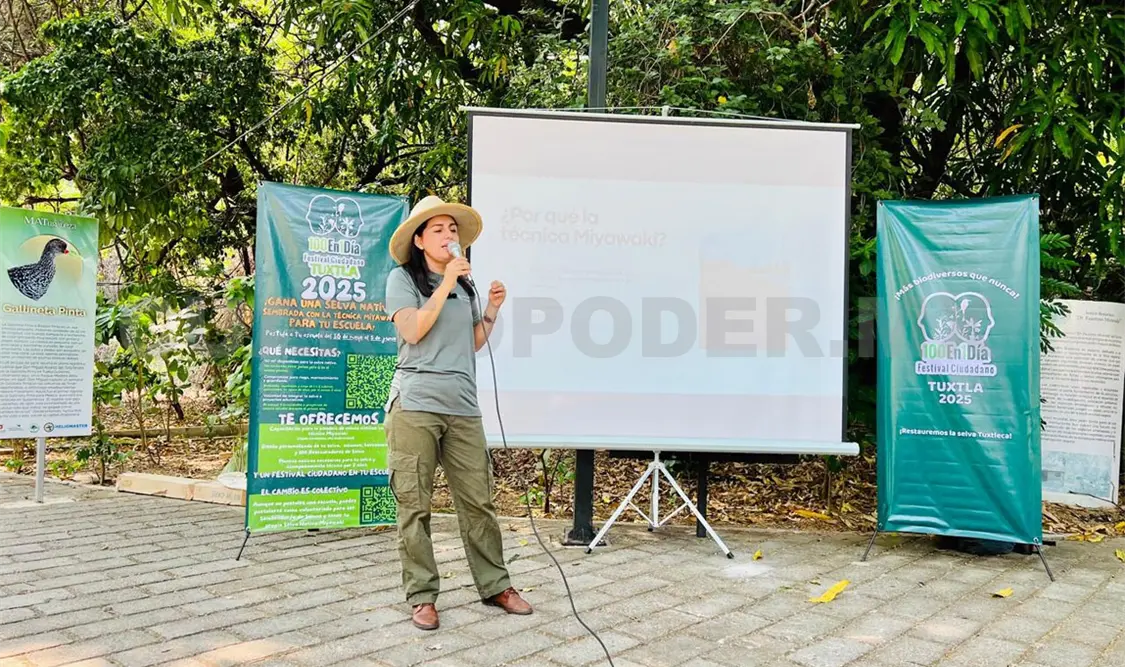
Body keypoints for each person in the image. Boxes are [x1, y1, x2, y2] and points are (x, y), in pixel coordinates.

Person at [383, 194, 533, 631]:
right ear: (419, 240)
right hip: (415, 406)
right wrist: (447, 281)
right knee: (415, 506)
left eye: (453, 230)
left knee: (479, 502)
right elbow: (412, 330)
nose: (450, 237)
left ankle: (496, 586)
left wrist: (490, 310)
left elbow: (471, 343)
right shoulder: (402, 279)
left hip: (463, 407)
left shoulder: (464, 286)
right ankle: (423, 596)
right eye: (439, 230)